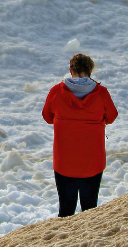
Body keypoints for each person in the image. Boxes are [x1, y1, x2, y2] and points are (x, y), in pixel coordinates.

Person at [41, 53, 118, 217]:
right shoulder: (101, 93)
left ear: (70, 70)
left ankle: (64, 241)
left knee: (66, 211)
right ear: (90, 70)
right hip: (92, 162)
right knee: (90, 210)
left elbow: (48, 117)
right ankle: (89, 241)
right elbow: (111, 117)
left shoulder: (57, 91)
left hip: (64, 162)